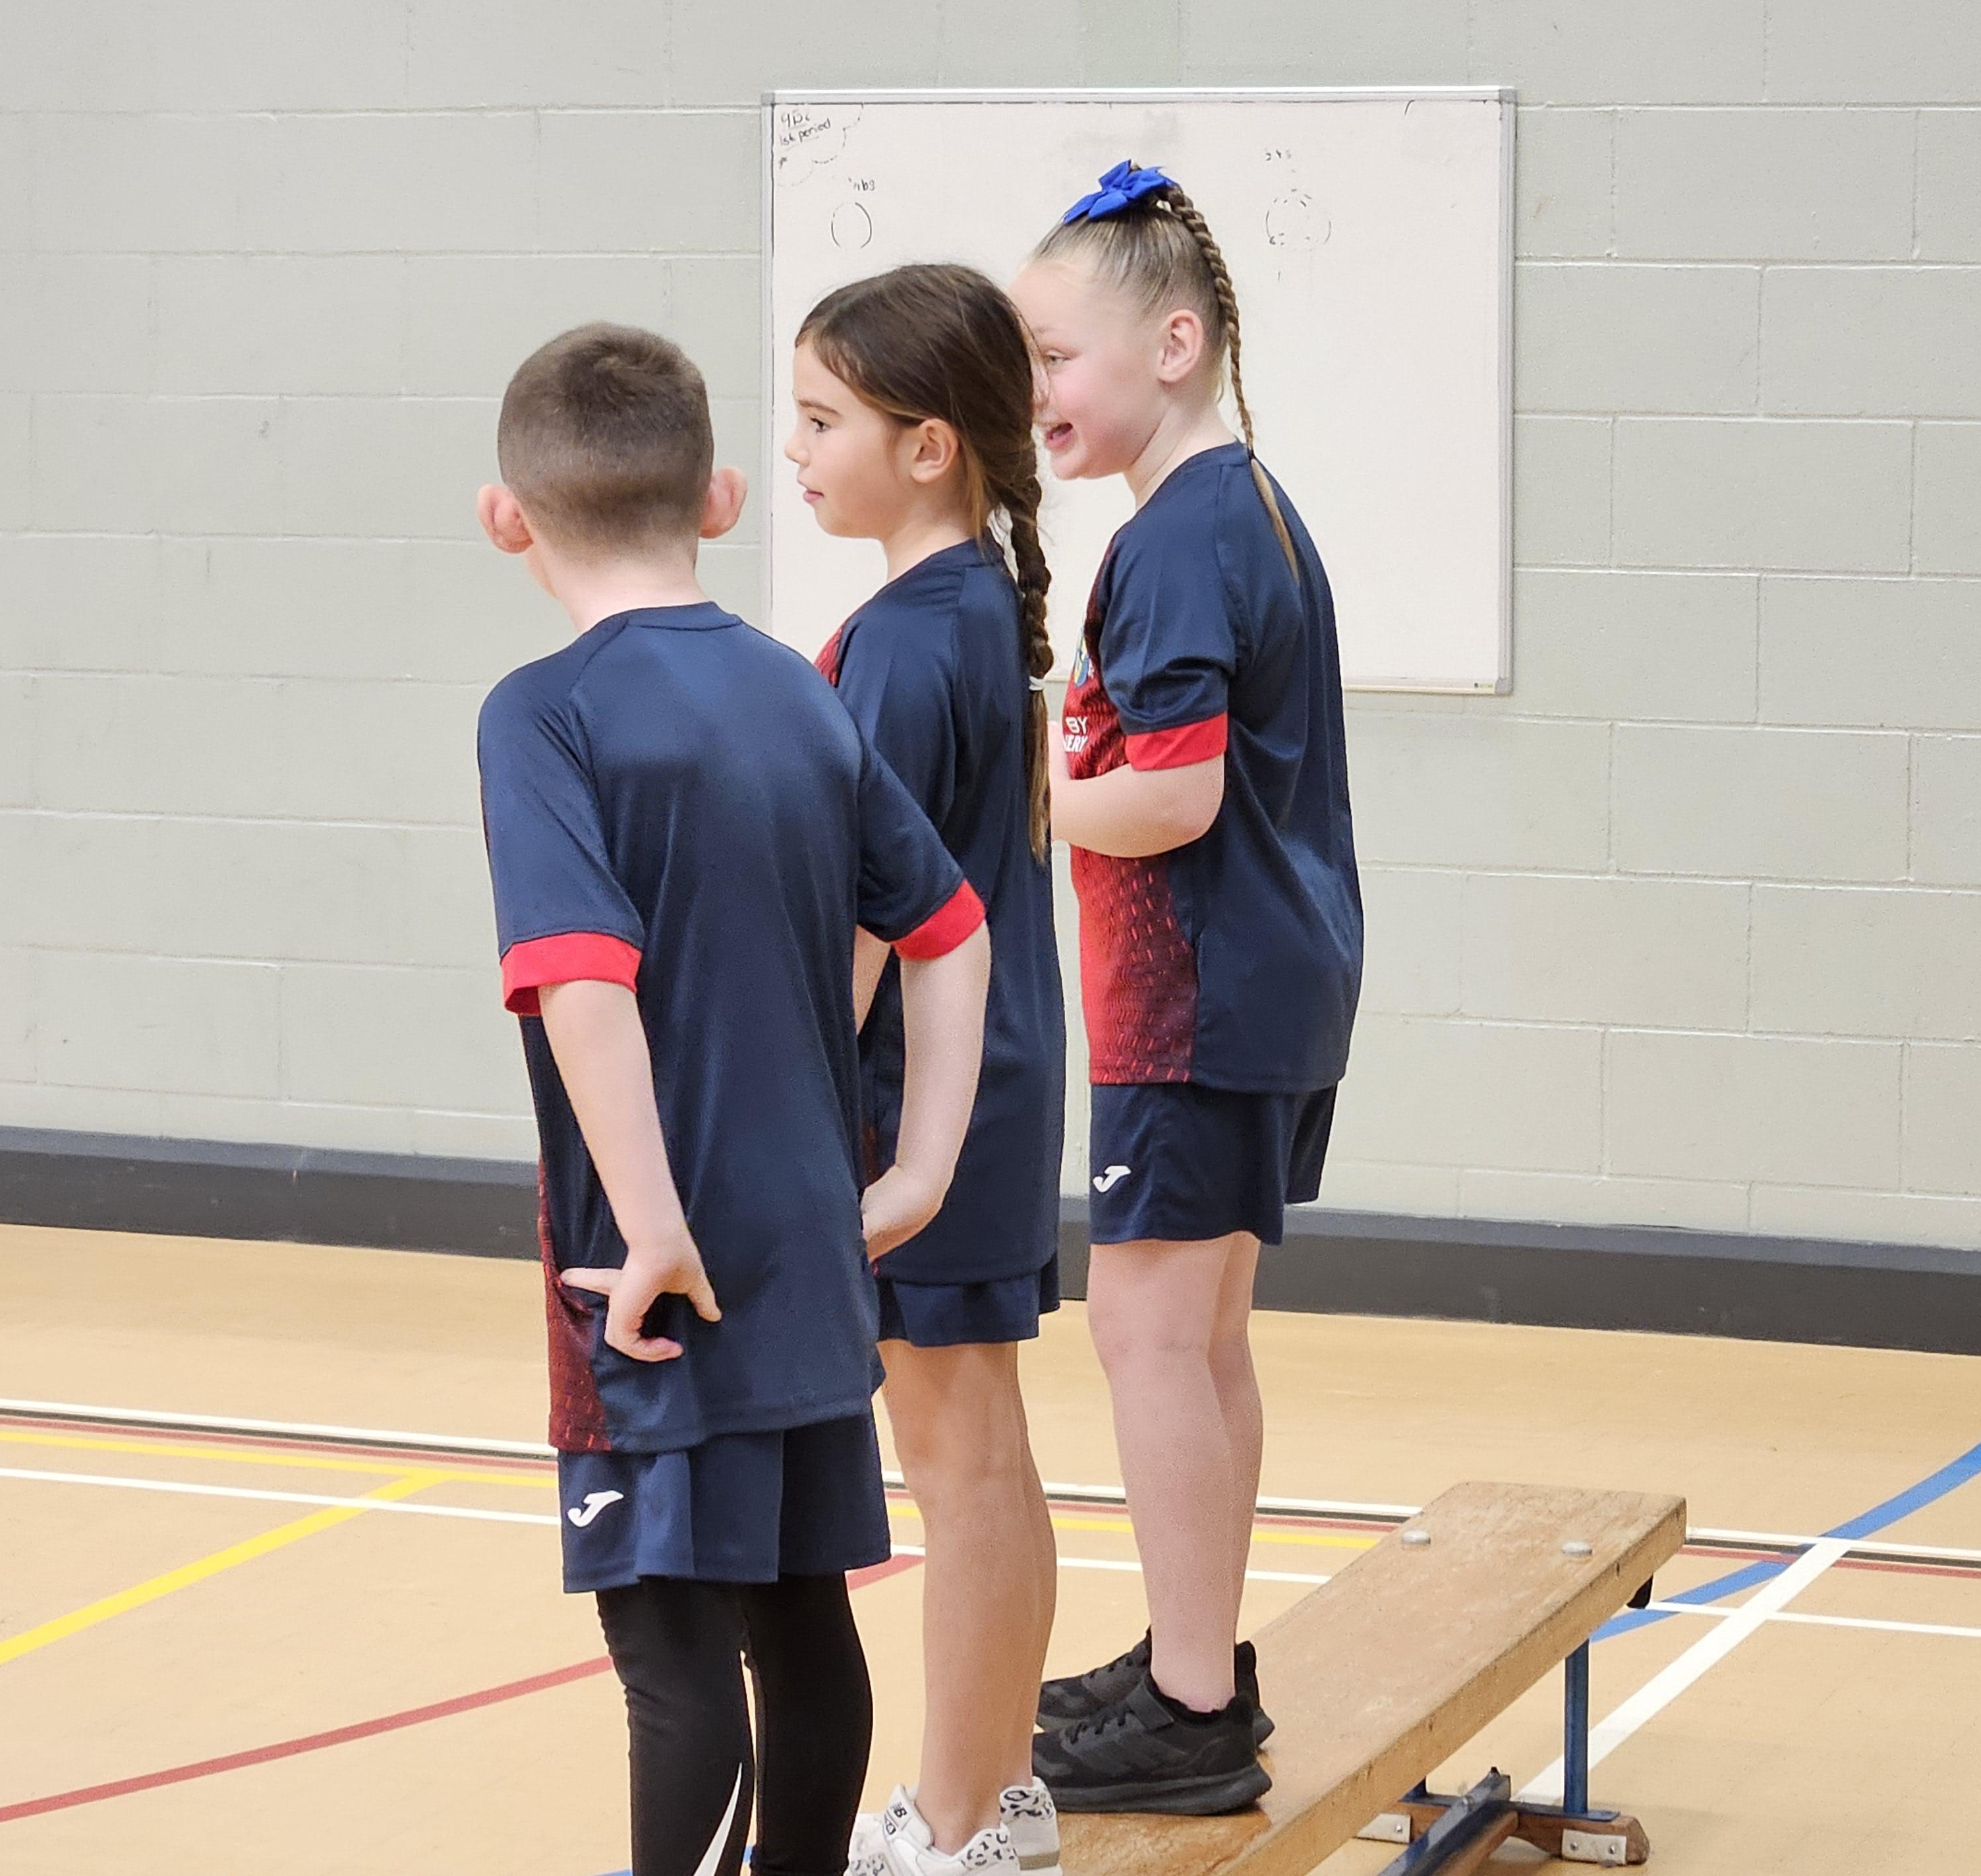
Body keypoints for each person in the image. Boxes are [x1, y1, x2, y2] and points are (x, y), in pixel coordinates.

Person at [473, 323, 994, 1876]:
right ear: (717, 498)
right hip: (807, 1237)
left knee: (673, 1664)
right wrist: (916, 1174)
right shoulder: (800, 690)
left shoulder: (539, 713)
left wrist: (647, 1230)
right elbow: (949, 928)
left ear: (506, 518)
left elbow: (582, 980)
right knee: (801, 1628)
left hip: (658, 1272)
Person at [1010, 163, 1364, 1815]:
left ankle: (1191, 1710)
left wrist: (1019, 796)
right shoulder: (1244, 507)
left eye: (1051, 359)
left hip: (1197, 998)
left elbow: (1170, 794)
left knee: (1144, 1333)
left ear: (1171, 344)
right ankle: (1191, 1659)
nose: (1032, 394)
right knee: (1202, 1335)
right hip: (1267, 987)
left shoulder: (1177, 537)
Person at [786, 263, 1068, 1876]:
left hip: (923, 1104)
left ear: (928, 447)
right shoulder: (959, 613)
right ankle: (998, 1797)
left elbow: (865, 918)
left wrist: (790, 1095)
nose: (799, 449)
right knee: (988, 1457)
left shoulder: (911, 639)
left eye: (824, 418)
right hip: (997, 1083)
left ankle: (956, 1824)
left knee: (956, 1470)